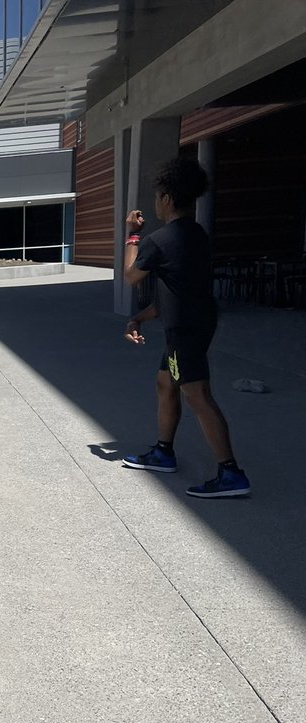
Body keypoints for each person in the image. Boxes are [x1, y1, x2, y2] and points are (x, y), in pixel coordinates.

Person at [120, 156, 250, 498]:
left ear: (166, 199)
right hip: (197, 322)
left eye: (157, 197)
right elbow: (174, 292)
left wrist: (132, 236)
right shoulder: (196, 234)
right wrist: (140, 318)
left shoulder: (159, 240)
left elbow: (131, 276)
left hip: (184, 331)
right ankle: (163, 452)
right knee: (166, 382)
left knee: (198, 394)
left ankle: (230, 473)